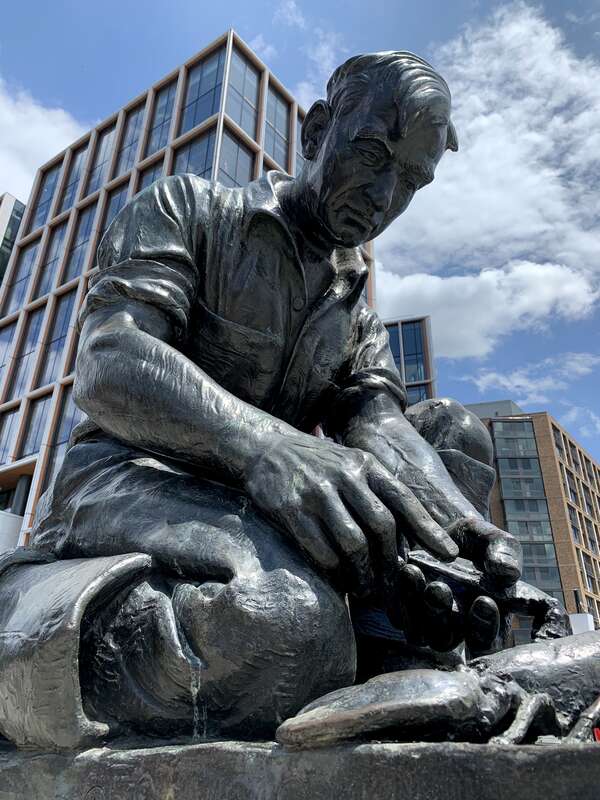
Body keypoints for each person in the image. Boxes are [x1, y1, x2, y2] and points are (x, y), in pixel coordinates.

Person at [0, 51, 523, 750]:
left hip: (260, 507)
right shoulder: (186, 207)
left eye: (411, 181)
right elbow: (109, 360)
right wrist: (266, 446)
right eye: (372, 153)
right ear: (314, 134)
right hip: (128, 479)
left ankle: (399, 646)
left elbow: (378, 421)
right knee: (291, 627)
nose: (383, 195)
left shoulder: (352, 307)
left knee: (453, 433)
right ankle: (25, 660)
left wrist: (458, 528)